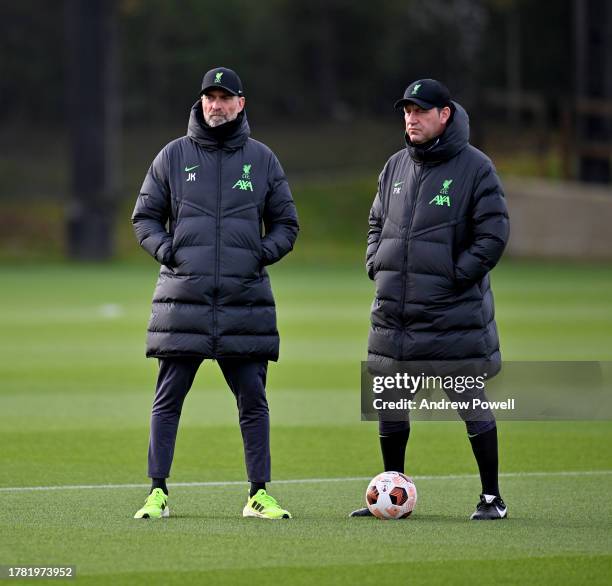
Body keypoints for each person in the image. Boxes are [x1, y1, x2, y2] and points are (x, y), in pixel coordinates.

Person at [131, 67, 299, 520]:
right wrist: (170, 252)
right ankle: (157, 492)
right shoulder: (172, 156)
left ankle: (258, 494)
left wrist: (258, 255)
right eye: (210, 97)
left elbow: (287, 224)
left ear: (241, 104)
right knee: (167, 400)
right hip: (182, 299)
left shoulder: (263, 160)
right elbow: (144, 217)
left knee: (253, 402)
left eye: (225, 98)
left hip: (244, 302)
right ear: (201, 102)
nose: (216, 105)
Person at [351, 79, 510, 520]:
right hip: (395, 316)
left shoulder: (476, 168)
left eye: (421, 111)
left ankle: (492, 498)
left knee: (471, 404)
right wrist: (376, 263)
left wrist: (455, 277)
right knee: (390, 404)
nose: (411, 118)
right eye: (407, 110)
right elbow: (376, 221)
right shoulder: (395, 166)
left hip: (450, 315)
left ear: (445, 115)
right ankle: (390, 490)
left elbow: (493, 235)